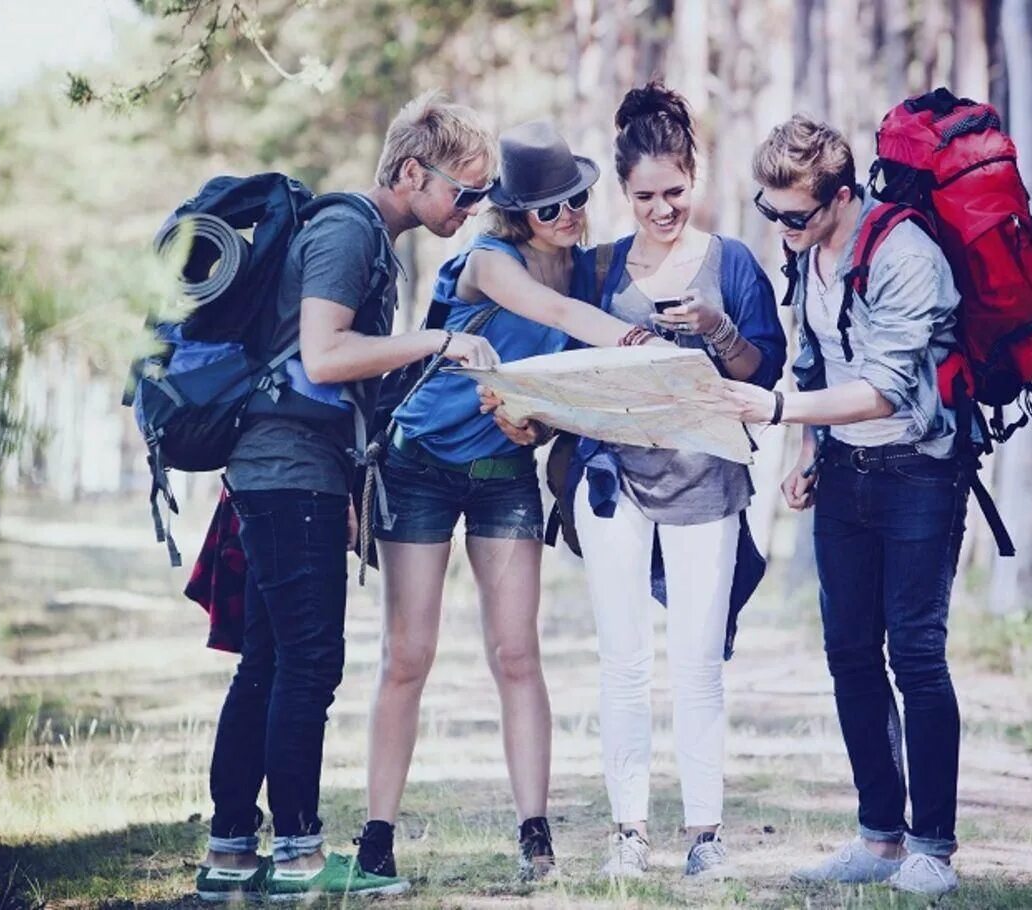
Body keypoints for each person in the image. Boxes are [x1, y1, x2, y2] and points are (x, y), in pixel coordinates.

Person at [196, 91, 500, 902]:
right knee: (308, 662)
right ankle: (296, 853)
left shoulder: (372, 241)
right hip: (285, 472)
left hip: (297, 471)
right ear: (412, 171)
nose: (472, 210)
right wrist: (439, 339)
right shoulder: (347, 230)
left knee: (267, 662)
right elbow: (325, 357)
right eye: (464, 192)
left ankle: (231, 852)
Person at [357, 120, 659, 884]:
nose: (569, 218)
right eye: (550, 209)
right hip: (421, 463)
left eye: (578, 202)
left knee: (517, 652)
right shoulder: (487, 261)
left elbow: (563, 390)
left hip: (503, 470)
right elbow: (558, 323)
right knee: (409, 654)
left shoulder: (583, 273)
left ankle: (535, 833)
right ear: (516, 212)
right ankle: (376, 836)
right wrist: (641, 348)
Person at [719, 114, 966, 898]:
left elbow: (888, 387)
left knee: (916, 655)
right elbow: (815, 355)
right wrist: (805, 457)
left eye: (797, 215)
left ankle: (933, 848)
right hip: (846, 469)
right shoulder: (806, 253)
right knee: (849, 652)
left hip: (921, 470)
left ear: (842, 196)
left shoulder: (906, 256)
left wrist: (781, 414)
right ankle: (878, 838)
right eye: (771, 213)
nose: (783, 229)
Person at [565, 82, 786, 879]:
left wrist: (718, 330)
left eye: (676, 192)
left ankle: (705, 833)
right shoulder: (592, 268)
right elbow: (563, 361)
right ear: (624, 193)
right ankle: (628, 829)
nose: (662, 209)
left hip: (706, 480)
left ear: (696, 177)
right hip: (611, 480)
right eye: (645, 196)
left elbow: (765, 377)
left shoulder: (733, 264)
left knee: (697, 657)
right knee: (622, 658)